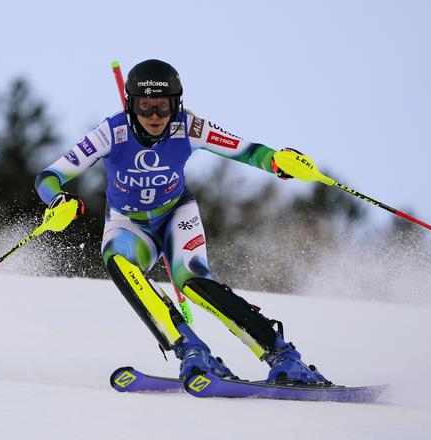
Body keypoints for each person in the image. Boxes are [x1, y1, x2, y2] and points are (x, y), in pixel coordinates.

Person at [35, 59, 328, 384]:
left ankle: (282, 354)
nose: (155, 117)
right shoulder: (111, 132)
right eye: (145, 107)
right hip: (128, 223)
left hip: (176, 216)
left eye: (164, 107)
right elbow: (50, 176)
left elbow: (245, 151)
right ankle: (190, 349)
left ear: (177, 104)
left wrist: (277, 161)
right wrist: (58, 200)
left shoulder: (188, 127)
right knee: (117, 260)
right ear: (131, 105)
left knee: (193, 281)